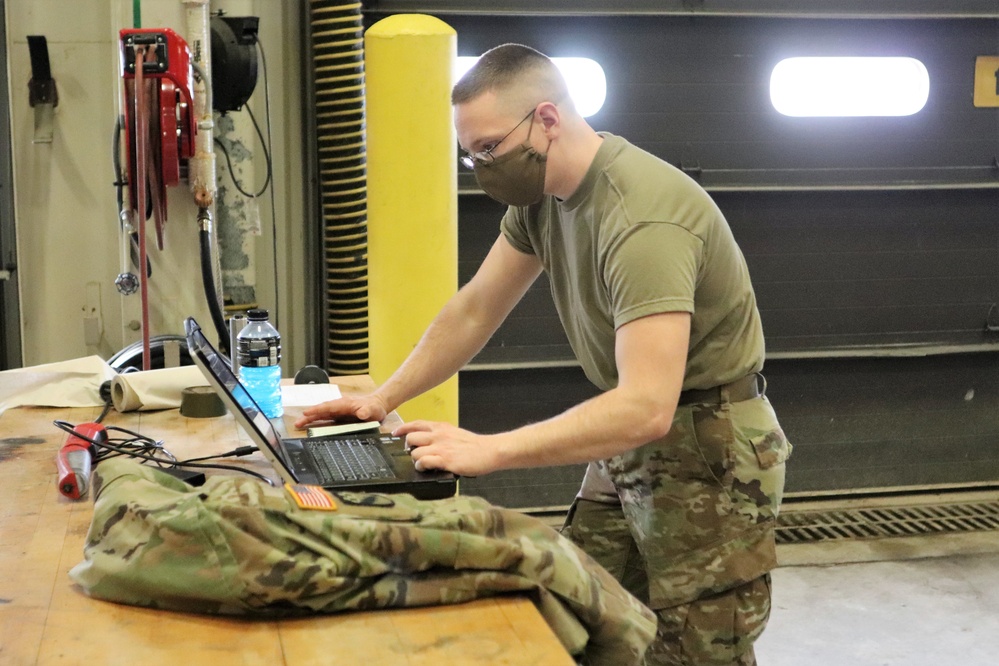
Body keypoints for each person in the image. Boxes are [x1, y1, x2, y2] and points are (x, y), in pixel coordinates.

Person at [295, 43, 791, 666]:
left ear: (547, 121)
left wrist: (489, 449)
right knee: (579, 620)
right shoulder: (543, 199)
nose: (480, 167)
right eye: (469, 154)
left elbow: (646, 406)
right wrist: (381, 398)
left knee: (695, 652)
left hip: (711, 449)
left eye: (489, 151)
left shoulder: (642, 223)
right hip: (633, 440)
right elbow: (476, 308)